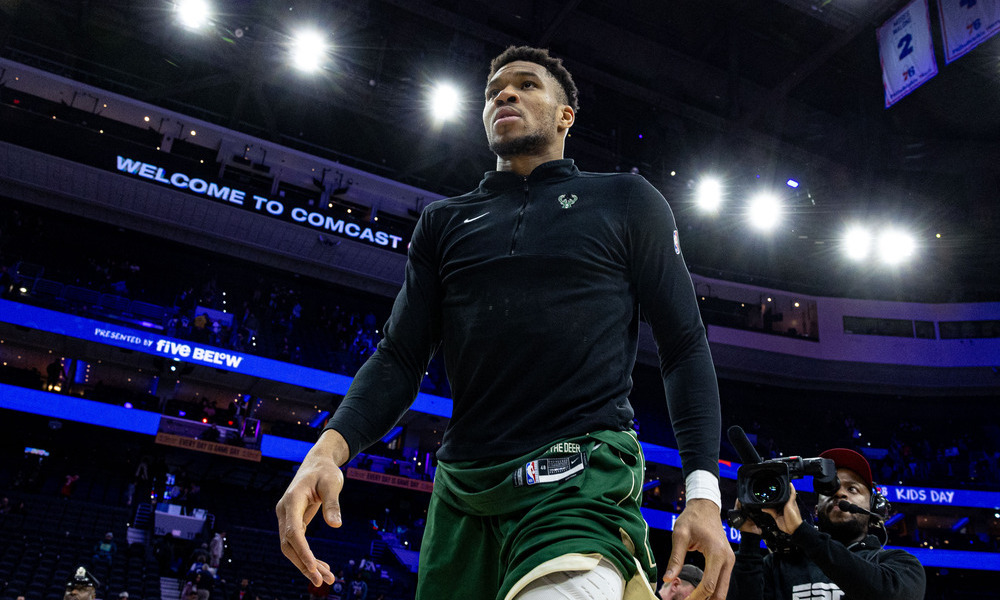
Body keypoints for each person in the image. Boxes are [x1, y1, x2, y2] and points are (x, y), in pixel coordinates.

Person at [276, 45, 732, 600]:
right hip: (460, 492)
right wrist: (325, 452)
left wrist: (703, 494)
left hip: (578, 475)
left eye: (526, 85)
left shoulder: (626, 199)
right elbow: (399, 357)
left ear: (566, 115)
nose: (505, 94)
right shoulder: (442, 222)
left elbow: (684, 346)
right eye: (494, 92)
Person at [728, 448, 926, 599]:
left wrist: (801, 532)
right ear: (816, 509)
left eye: (853, 489)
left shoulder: (900, 563)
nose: (839, 493)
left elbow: (887, 595)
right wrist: (750, 538)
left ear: (874, 507)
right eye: (829, 489)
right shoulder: (778, 566)